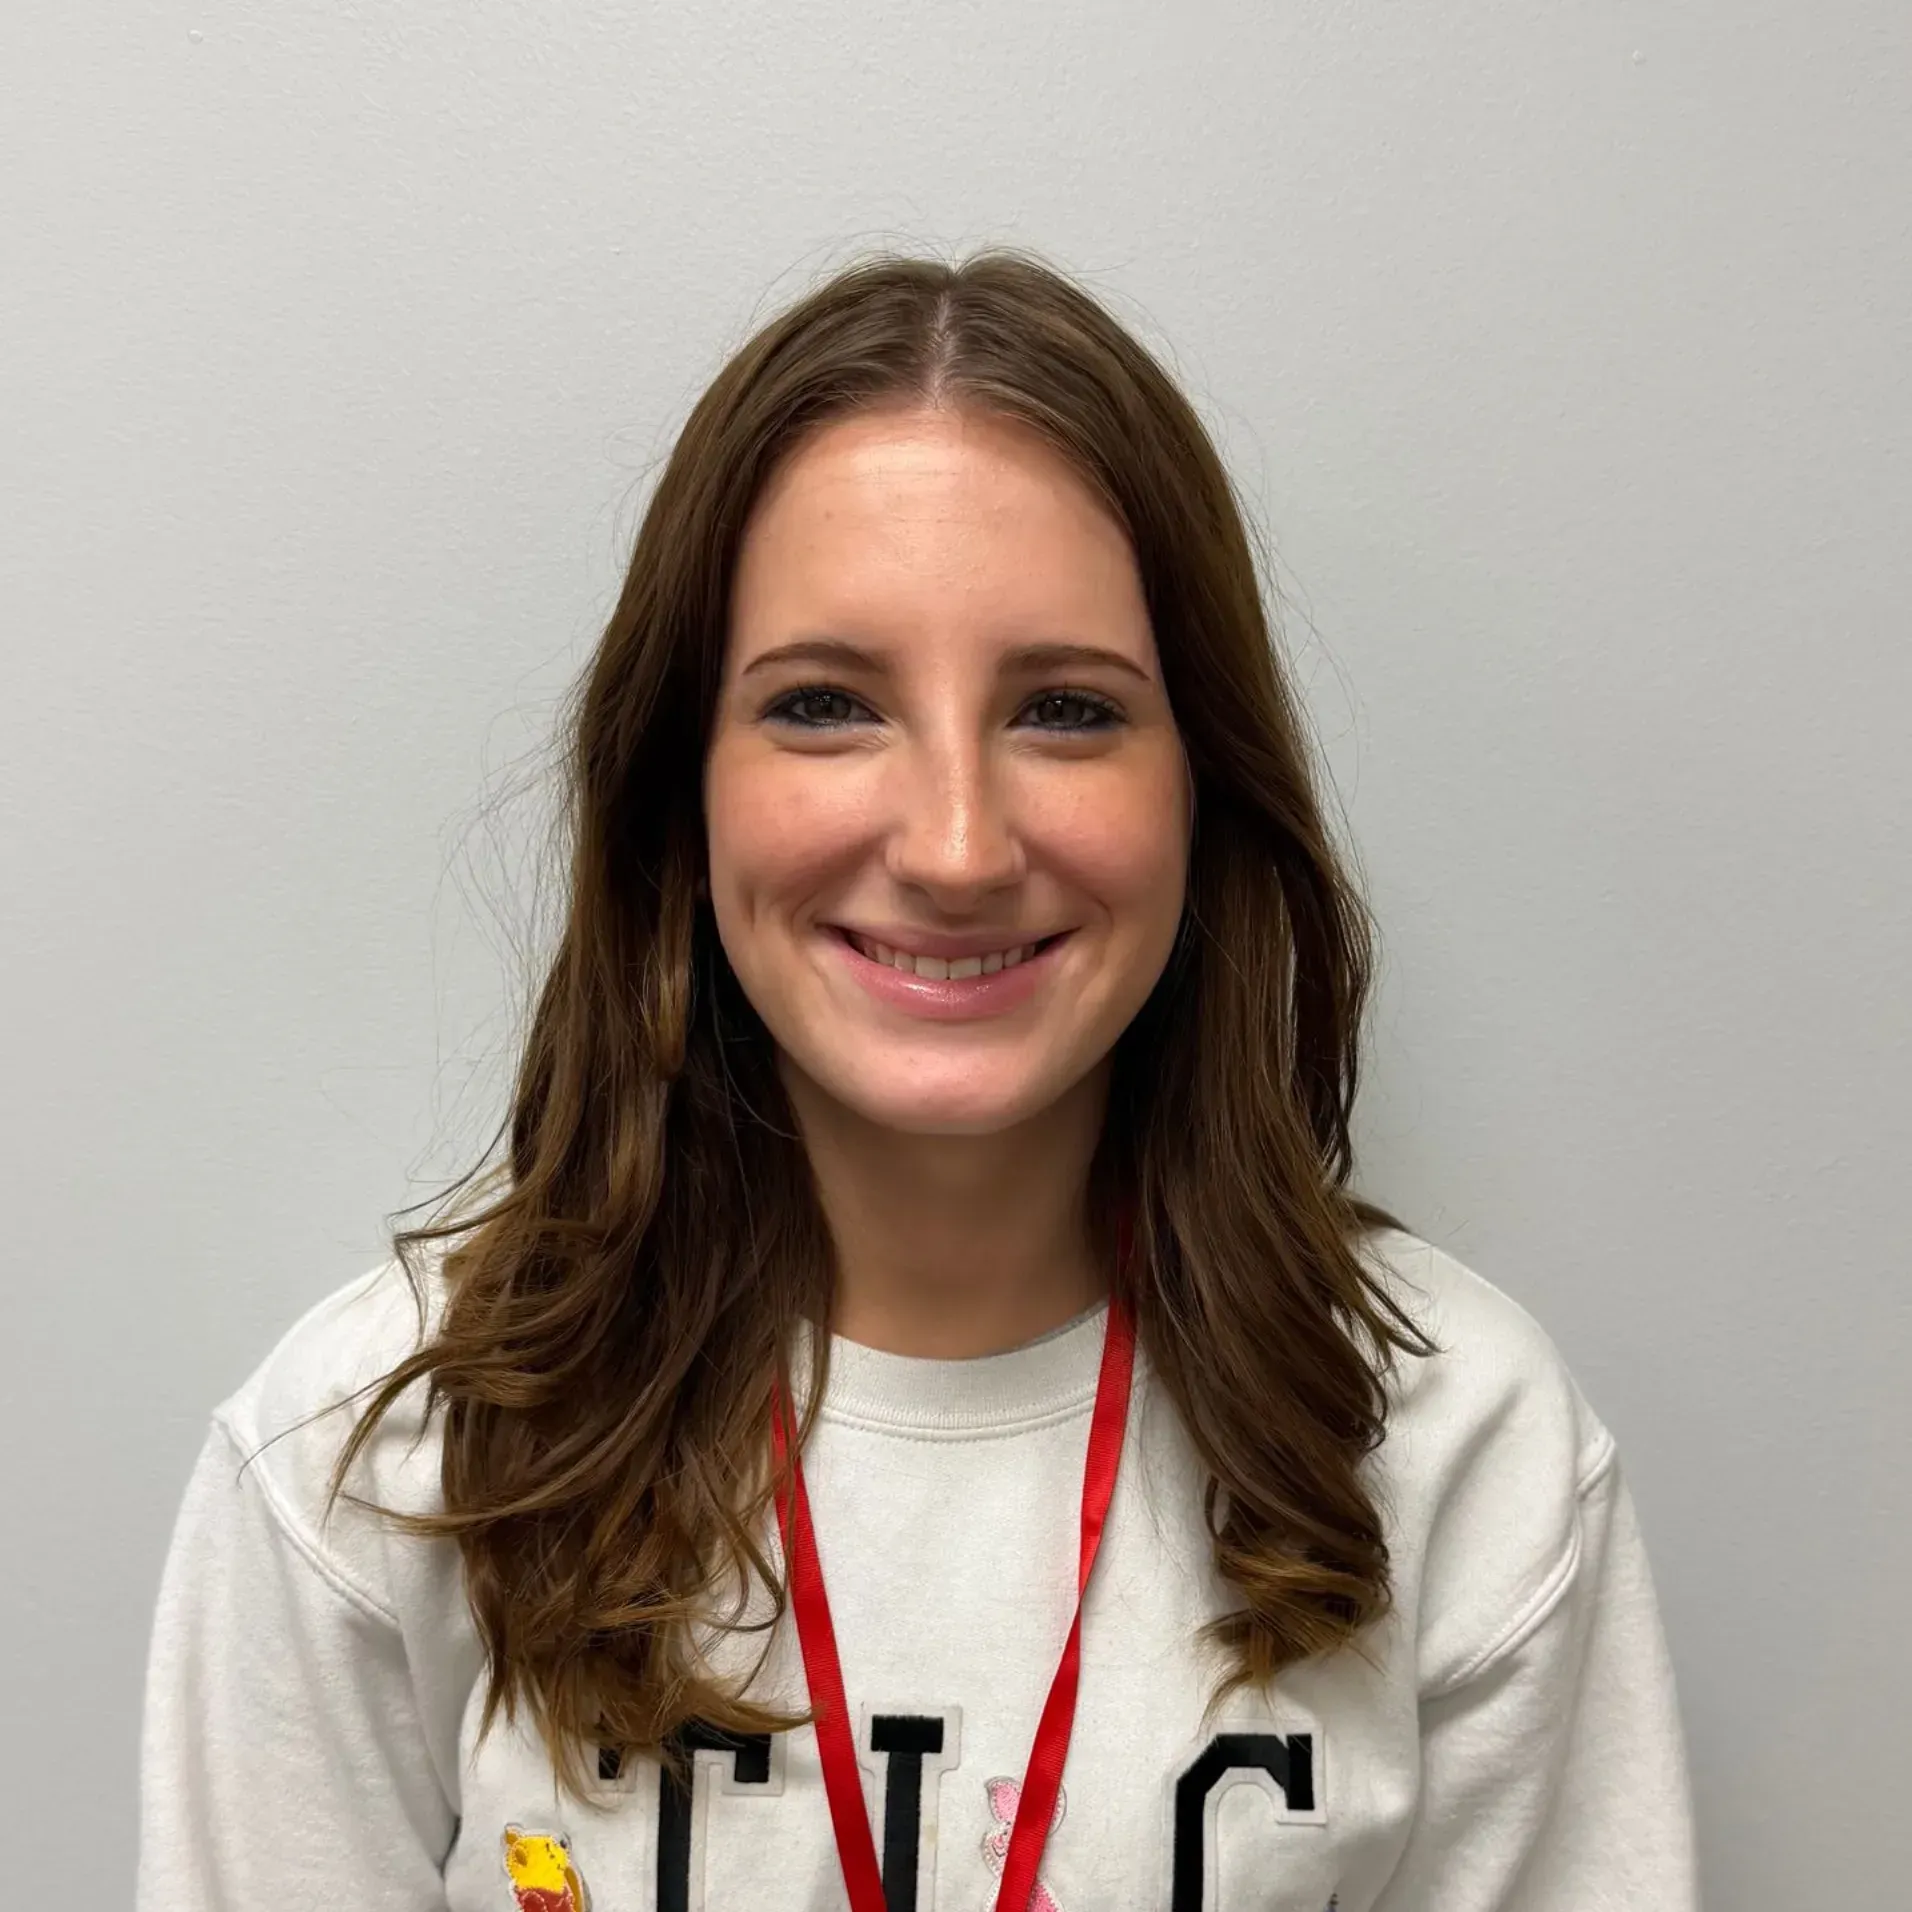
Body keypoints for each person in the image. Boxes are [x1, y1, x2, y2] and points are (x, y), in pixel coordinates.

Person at [136, 249, 1699, 1912]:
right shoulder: (376, 1463)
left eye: (1068, 711)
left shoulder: (1460, 1449)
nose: (957, 845)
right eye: (824, 706)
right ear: (688, 797)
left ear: (1204, 789)